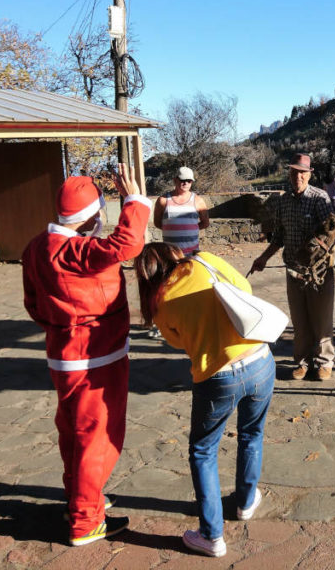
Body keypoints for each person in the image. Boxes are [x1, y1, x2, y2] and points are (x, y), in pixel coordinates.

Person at [21, 164, 151, 546]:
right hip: (97, 356)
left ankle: (81, 497)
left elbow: (32, 304)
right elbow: (127, 244)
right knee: (98, 436)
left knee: (73, 432)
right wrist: (133, 200)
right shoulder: (78, 251)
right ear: (91, 215)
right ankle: (86, 521)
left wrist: (59, 324)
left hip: (62, 354)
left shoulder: (37, 248)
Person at [135, 242, 274, 559]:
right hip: (259, 361)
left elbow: (176, 341)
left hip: (216, 377)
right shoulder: (206, 262)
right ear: (174, 254)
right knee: (252, 433)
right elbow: (244, 287)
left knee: (203, 451)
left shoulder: (159, 302)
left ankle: (211, 535)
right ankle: (246, 501)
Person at [249, 153, 335, 381]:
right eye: (294, 172)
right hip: (293, 270)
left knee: (321, 319)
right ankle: (302, 362)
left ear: (309, 175)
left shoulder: (320, 198)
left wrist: (314, 249)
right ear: (289, 174)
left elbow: (331, 233)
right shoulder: (283, 201)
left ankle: (325, 362)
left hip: (319, 271)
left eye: (302, 172)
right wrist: (263, 258)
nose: (298, 176)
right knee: (299, 319)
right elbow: (278, 236)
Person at [148, 166, 210, 340]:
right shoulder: (162, 200)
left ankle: (190, 323)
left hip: (191, 255)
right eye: (182, 180)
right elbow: (158, 222)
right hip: (168, 255)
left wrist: (189, 229)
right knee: (164, 289)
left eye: (189, 181)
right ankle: (161, 325)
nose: (185, 183)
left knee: (191, 288)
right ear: (175, 180)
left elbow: (205, 222)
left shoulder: (198, 201)